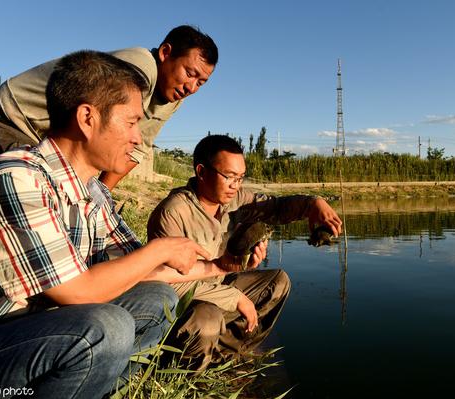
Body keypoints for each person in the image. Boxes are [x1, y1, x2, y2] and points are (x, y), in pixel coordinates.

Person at [0, 50, 227, 399]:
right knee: (106, 328)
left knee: (159, 299)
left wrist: (217, 266)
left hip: (43, 326)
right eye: (130, 123)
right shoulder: (16, 176)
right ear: (87, 118)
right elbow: (79, 292)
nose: (138, 138)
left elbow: (139, 271)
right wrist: (161, 248)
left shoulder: (92, 191)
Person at [146, 134, 343, 370]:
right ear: (201, 171)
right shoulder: (174, 212)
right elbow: (169, 285)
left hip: (220, 283)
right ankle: (184, 371)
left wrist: (313, 204)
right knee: (208, 318)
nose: (235, 186)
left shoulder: (236, 200)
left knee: (278, 282)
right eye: (229, 177)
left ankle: (223, 356)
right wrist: (236, 297)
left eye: (240, 178)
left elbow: (276, 208)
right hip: (186, 302)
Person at [0, 25, 217, 190]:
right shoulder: (139, 66)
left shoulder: (173, 98)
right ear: (166, 53)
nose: (192, 88)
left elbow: (135, 149)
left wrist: (101, 196)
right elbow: (92, 130)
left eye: (201, 82)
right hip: (15, 119)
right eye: (190, 73)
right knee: (28, 198)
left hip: (48, 142)